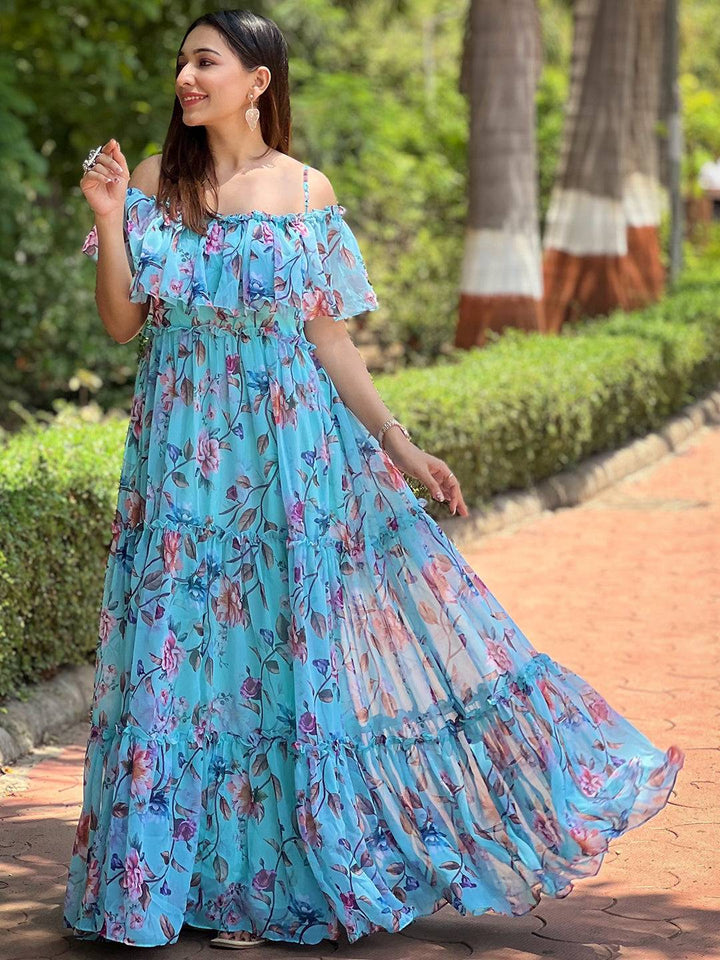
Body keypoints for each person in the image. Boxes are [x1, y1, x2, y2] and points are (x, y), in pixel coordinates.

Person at [63, 7, 685, 951]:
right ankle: (174, 880)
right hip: (184, 460)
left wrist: (401, 444)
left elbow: (331, 340)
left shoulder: (307, 192)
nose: (185, 79)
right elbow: (122, 324)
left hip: (287, 457)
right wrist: (111, 222)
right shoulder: (155, 183)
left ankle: (269, 879)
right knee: (180, 655)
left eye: (204, 62)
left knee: (277, 660)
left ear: (259, 80)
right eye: (182, 64)